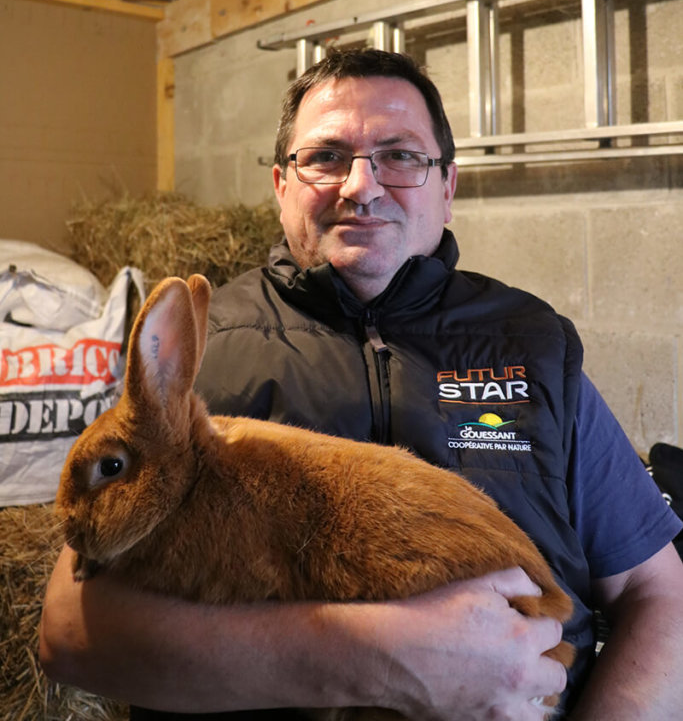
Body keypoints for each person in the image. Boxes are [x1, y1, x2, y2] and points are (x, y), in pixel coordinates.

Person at [41, 48, 683, 721]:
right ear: (280, 184)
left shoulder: (531, 342)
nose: (361, 185)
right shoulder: (203, 361)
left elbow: (656, 593)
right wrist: (365, 659)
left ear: (447, 185)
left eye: (399, 156)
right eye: (324, 157)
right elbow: (69, 632)